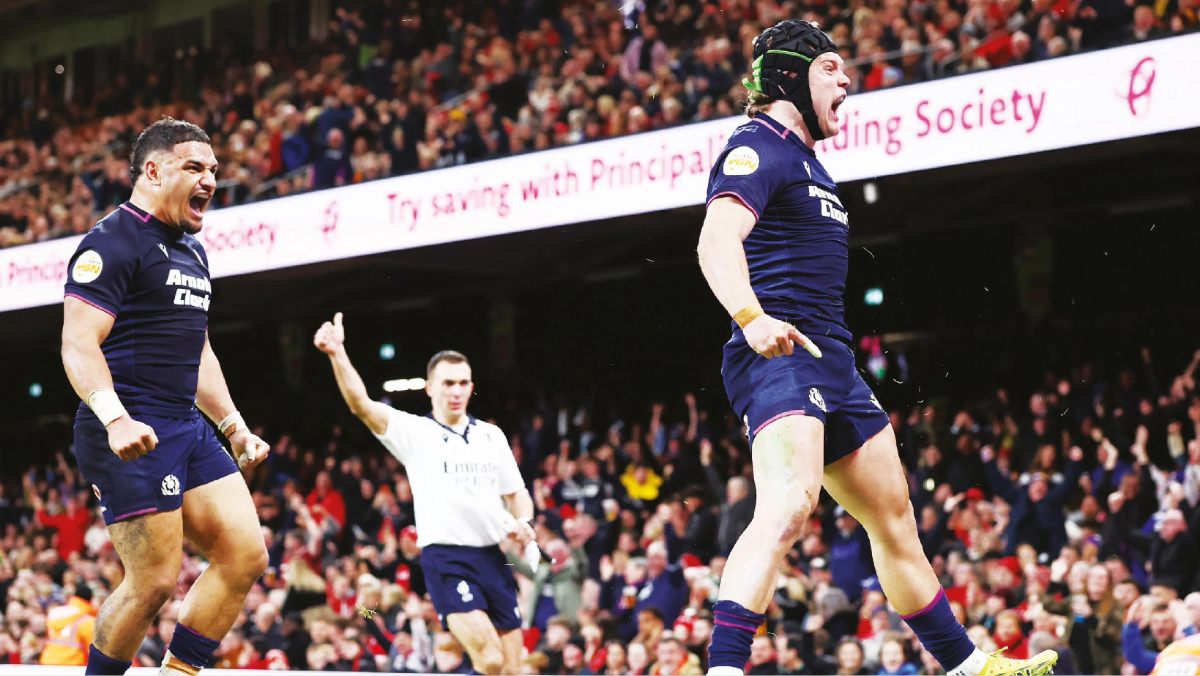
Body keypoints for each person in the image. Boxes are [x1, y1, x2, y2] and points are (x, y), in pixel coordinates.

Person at [696, 19, 1057, 676]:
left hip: (834, 360)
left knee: (894, 519)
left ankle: (971, 668)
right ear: (788, 75)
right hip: (778, 355)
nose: (847, 79)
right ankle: (723, 668)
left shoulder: (809, 161)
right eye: (832, 67)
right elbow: (716, 240)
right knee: (789, 502)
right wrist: (749, 318)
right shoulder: (757, 144)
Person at [60, 117, 270, 675]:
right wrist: (115, 418)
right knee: (153, 583)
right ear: (152, 170)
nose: (210, 180)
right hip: (130, 426)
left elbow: (198, 352)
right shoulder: (111, 241)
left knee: (246, 554)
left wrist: (233, 425)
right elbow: (79, 343)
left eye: (214, 171)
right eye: (194, 168)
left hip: (184, 424)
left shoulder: (193, 251)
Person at [313, 312, 535, 674]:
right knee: (491, 660)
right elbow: (361, 405)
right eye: (447, 382)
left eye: (463, 382)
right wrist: (338, 354)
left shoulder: (491, 436)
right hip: (446, 559)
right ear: (430, 387)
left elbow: (517, 494)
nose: (456, 390)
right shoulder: (416, 432)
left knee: (513, 667)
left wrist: (524, 521)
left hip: (493, 558)